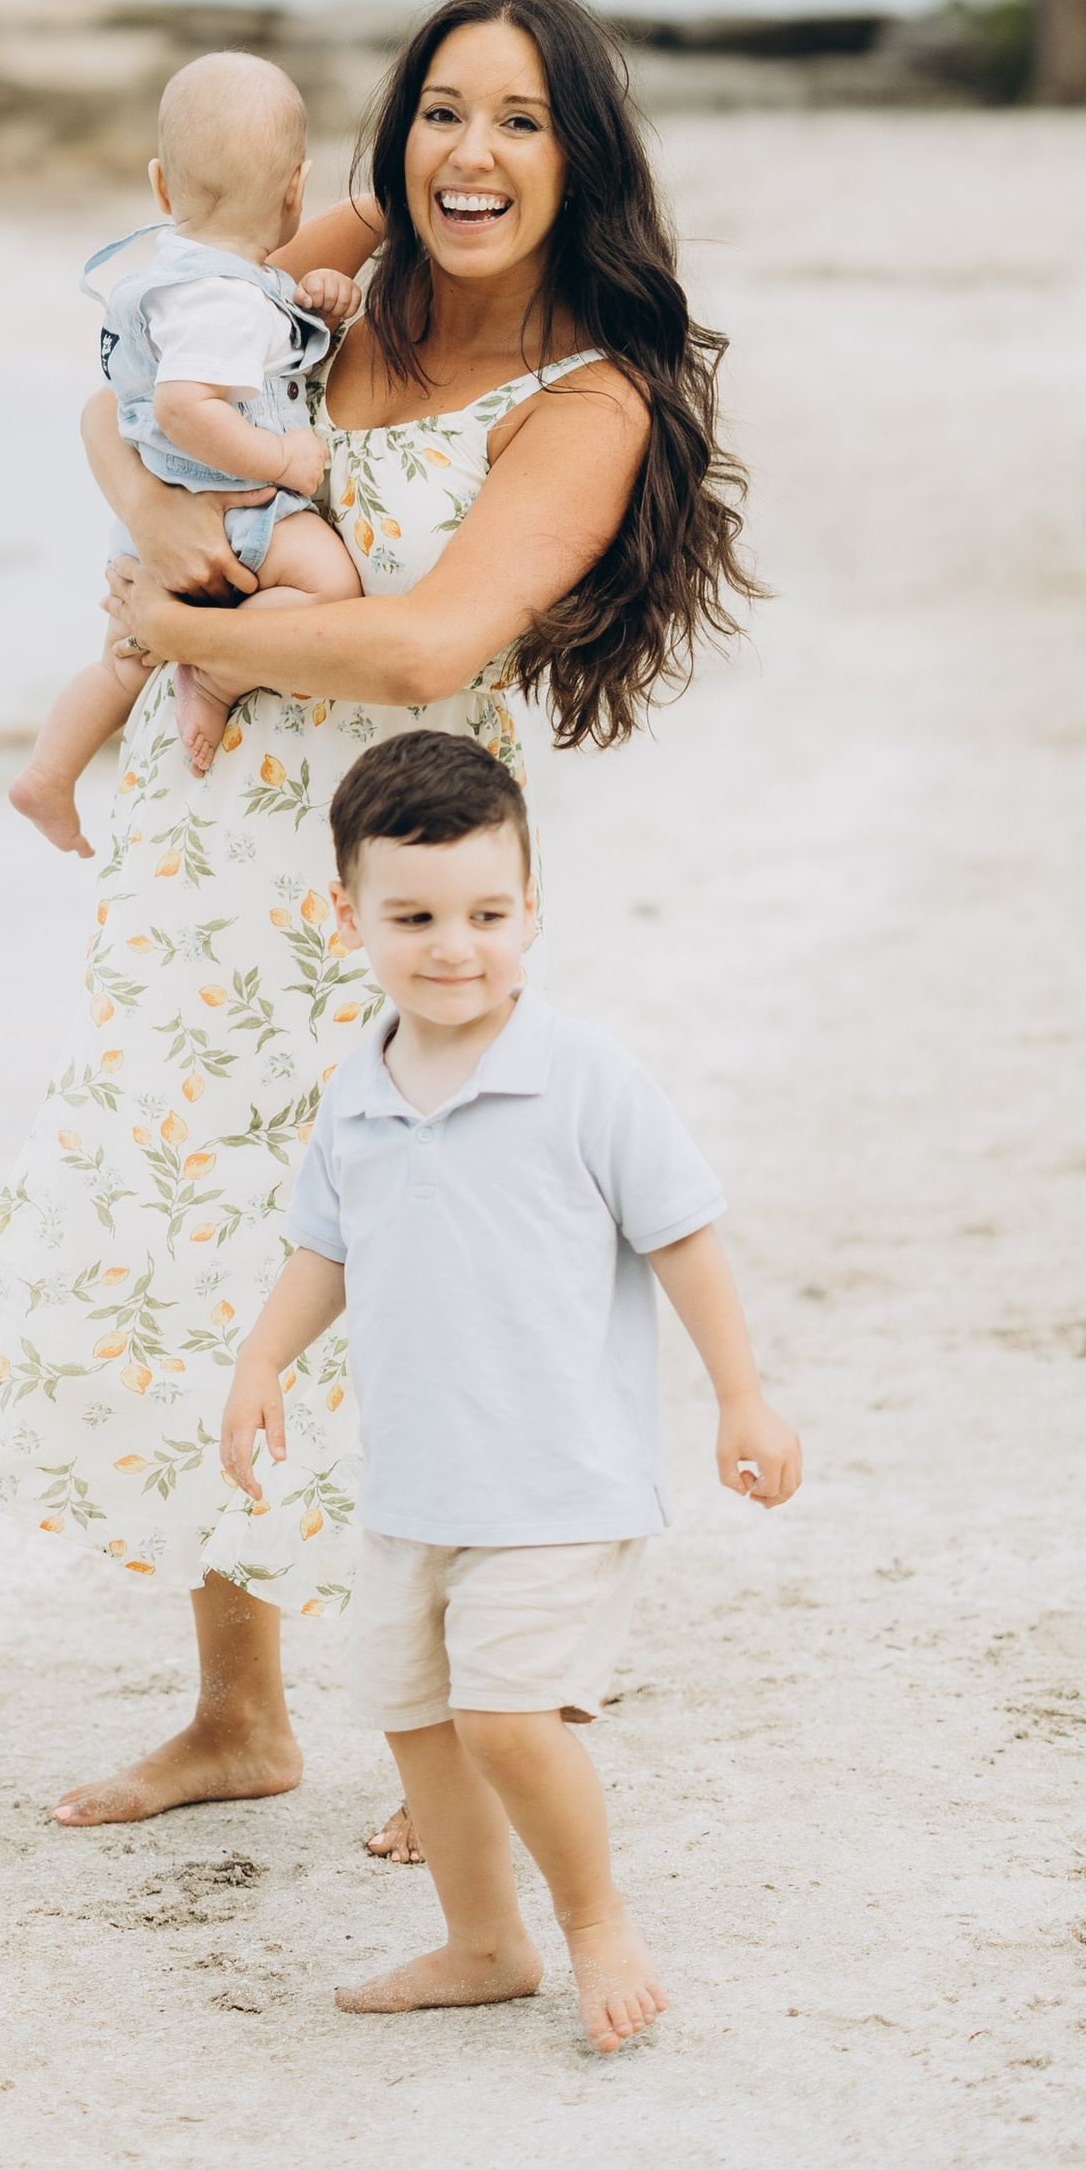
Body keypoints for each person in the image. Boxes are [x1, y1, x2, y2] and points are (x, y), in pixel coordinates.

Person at [0, 0, 758, 1840]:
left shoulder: (586, 400)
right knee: (217, 1262)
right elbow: (141, 359)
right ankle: (237, 1714)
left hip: (398, 893)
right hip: (206, 870)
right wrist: (140, 514)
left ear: (583, 158)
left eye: (526, 123)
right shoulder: (330, 305)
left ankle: (446, 1732)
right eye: (445, 112)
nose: (474, 154)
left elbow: (430, 637)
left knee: (428, 1287)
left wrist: (188, 623)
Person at [221, 729, 800, 2052]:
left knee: (504, 1718)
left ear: (532, 910)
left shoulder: (584, 1073)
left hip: (557, 1477)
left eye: (487, 914)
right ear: (348, 916)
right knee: (415, 1718)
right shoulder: (357, 1092)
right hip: (417, 1483)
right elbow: (326, 1250)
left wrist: (742, 1400)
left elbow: (685, 1236)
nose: (452, 946)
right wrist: (261, 1364)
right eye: (413, 915)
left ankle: (595, 1920)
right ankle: (484, 1942)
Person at [10, 51, 365, 846]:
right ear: (294, 190)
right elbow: (183, 406)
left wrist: (322, 308)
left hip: (154, 527)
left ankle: (49, 772)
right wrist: (281, 462)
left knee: (122, 664)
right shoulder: (226, 301)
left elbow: (224, 362)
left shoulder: (185, 284)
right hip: (242, 510)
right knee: (331, 583)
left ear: (162, 186)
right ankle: (218, 673)